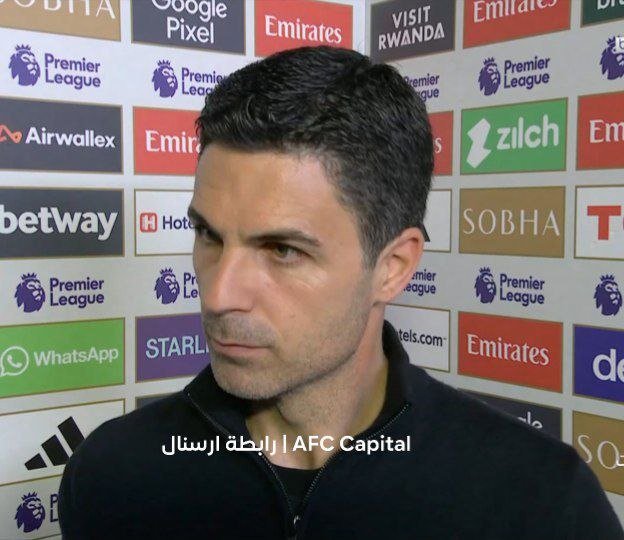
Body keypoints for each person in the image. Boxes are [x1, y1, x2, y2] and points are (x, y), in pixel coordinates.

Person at [58, 45, 624, 539]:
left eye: (282, 250)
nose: (219, 294)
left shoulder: (542, 503)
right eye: (209, 235)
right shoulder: (114, 475)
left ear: (393, 268)